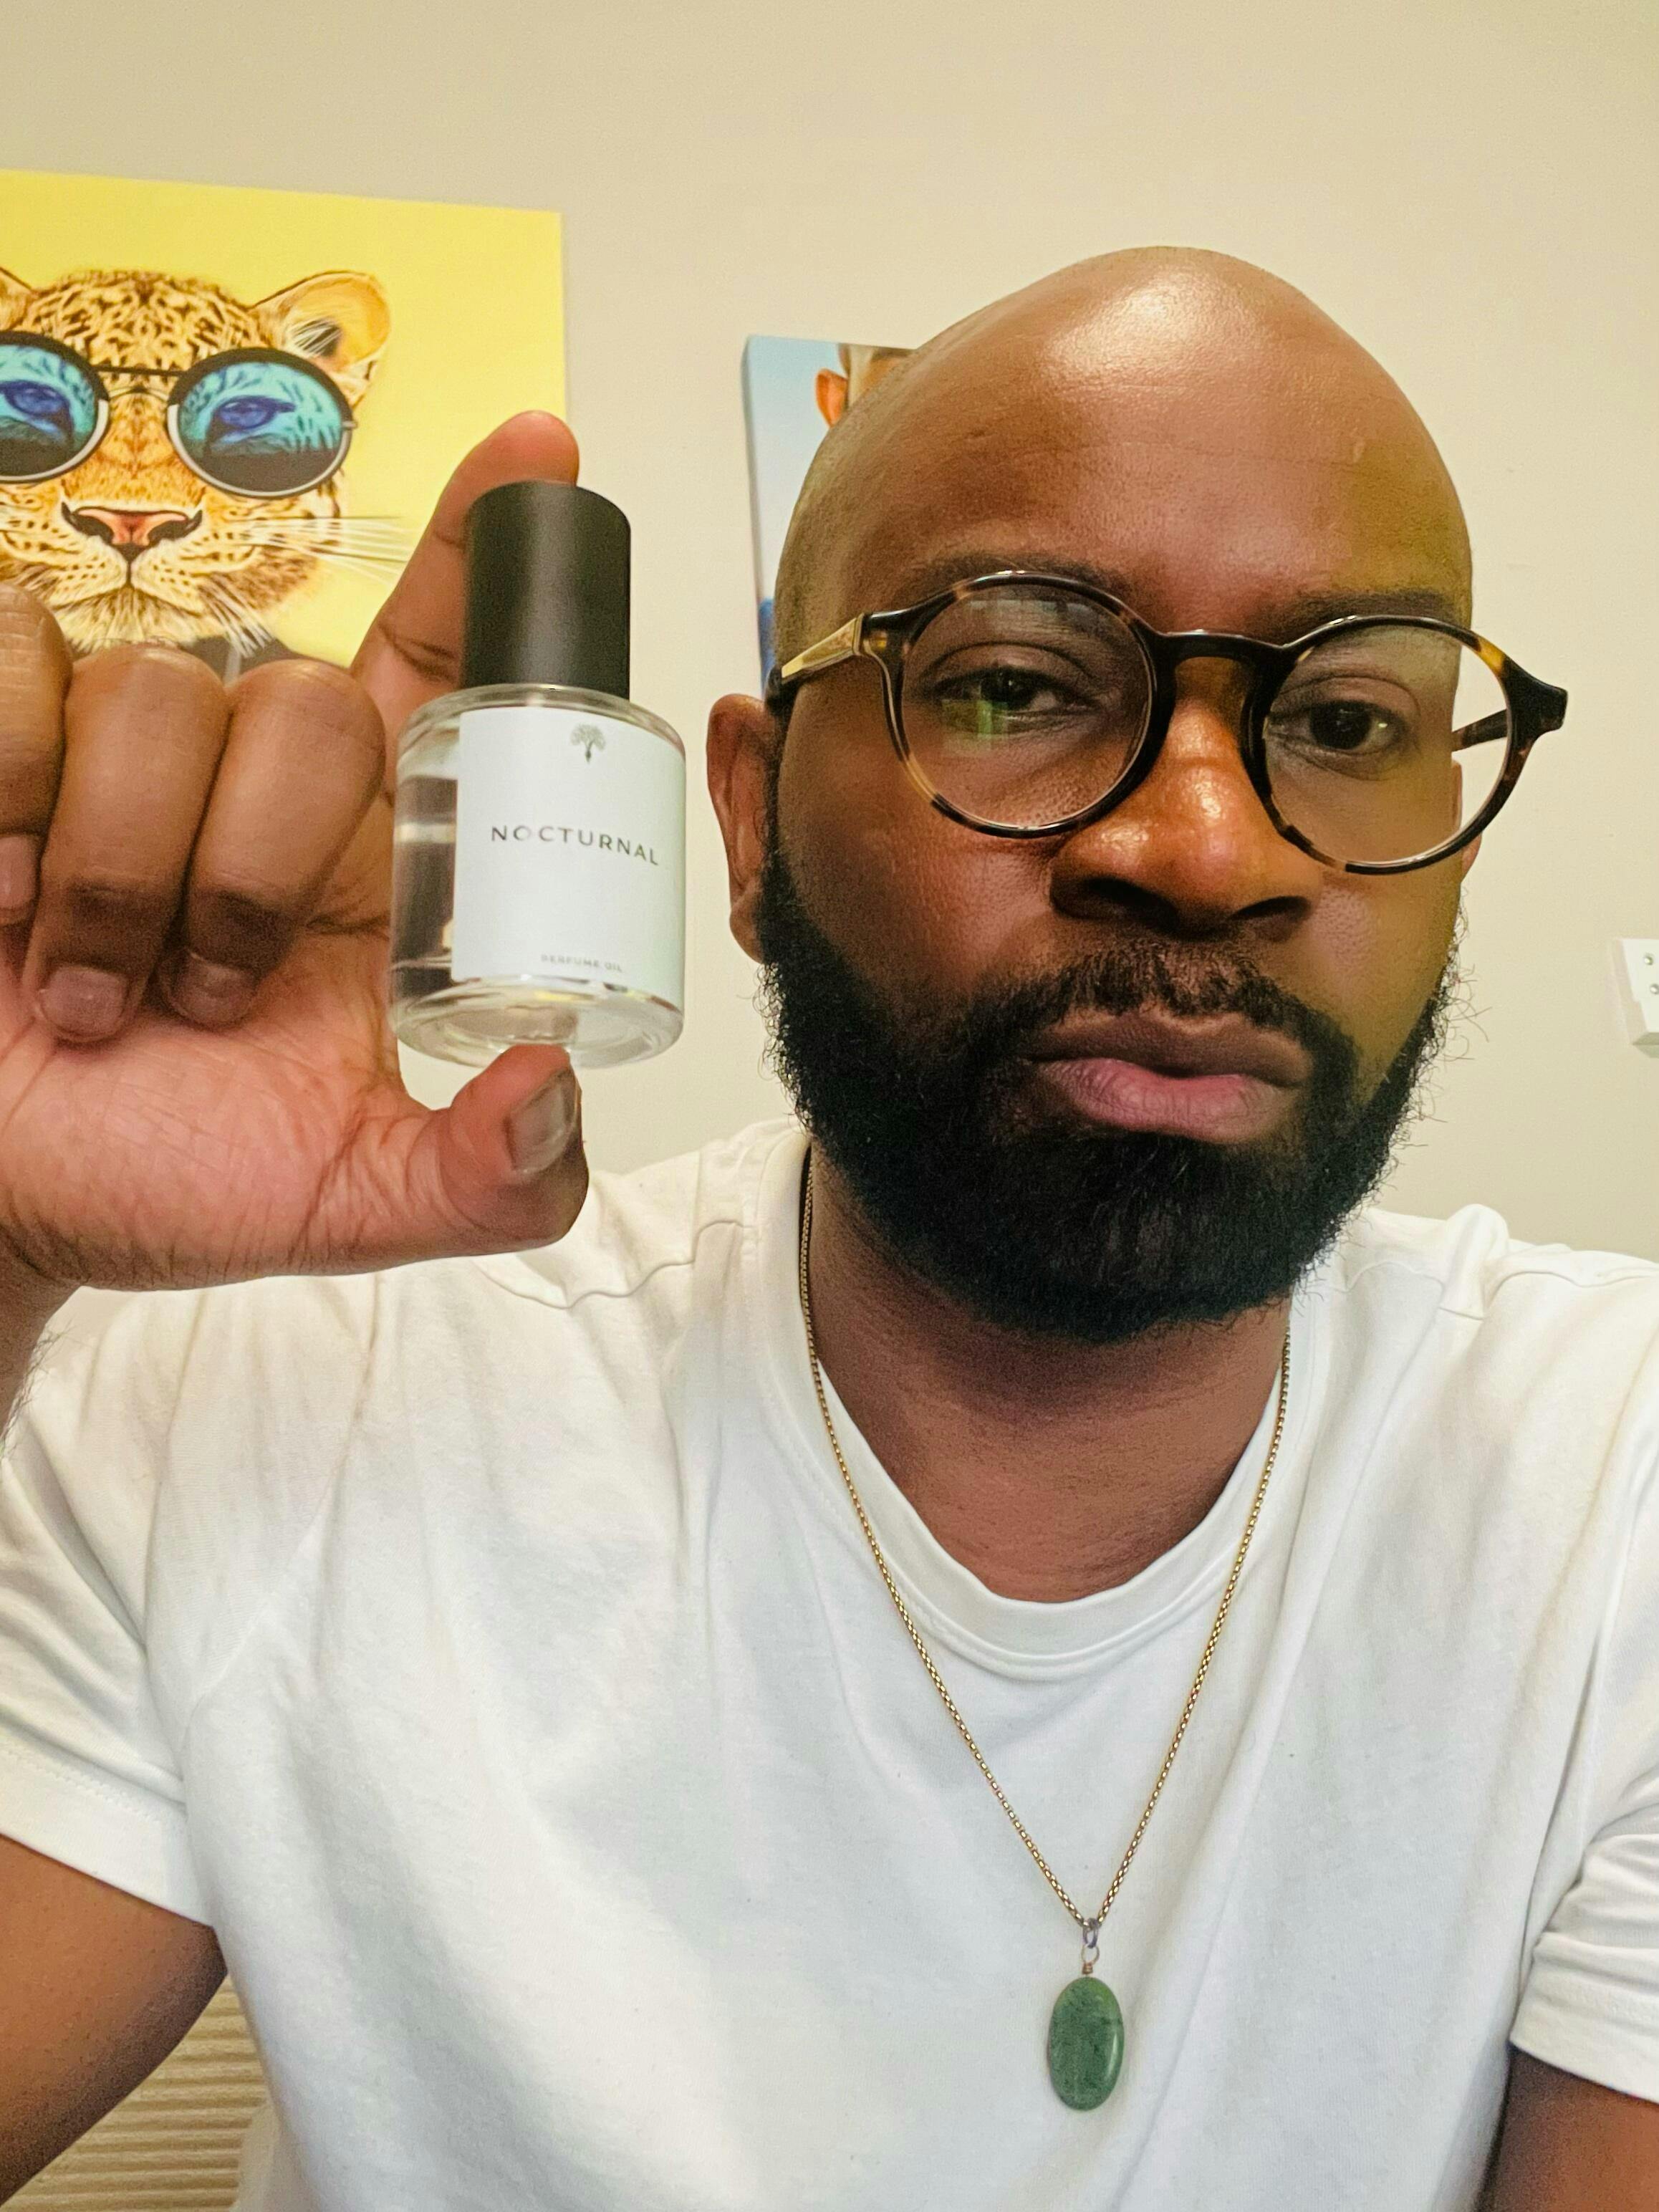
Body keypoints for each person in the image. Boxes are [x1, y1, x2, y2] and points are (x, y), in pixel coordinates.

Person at [0, 246, 1651, 2211]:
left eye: (1351, 721)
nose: (1208, 851)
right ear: (752, 816)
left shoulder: (1614, 1487)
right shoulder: (269, 1412)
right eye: (1018, 686)